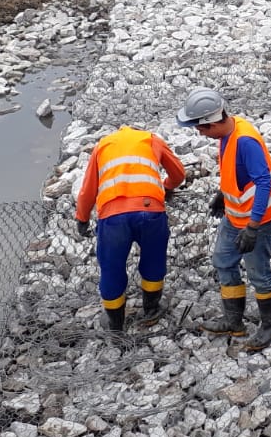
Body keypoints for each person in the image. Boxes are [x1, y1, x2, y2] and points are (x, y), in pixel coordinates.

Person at [176, 86, 271, 351]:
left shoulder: (245, 140)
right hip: (235, 216)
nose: (199, 133)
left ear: (212, 122)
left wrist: (253, 226)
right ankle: (233, 320)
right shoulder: (227, 135)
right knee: (223, 261)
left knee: (258, 274)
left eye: (200, 128)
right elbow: (236, 173)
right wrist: (222, 195)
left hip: (256, 221)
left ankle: (270, 326)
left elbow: (262, 183)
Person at [74, 125, 187, 330]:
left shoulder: (103, 145)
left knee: (112, 268)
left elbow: (88, 189)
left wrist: (82, 219)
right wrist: (168, 187)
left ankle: (116, 324)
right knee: (154, 259)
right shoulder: (151, 139)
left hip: (113, 216)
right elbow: (179, 173)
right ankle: (151, 309)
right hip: (151, 211)